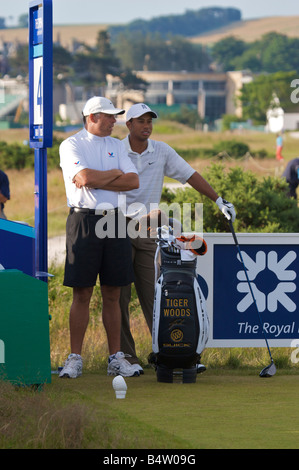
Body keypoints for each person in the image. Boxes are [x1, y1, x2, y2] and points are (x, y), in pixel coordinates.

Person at [119, 103, 236, 374]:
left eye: (150, 121)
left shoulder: (161, 150)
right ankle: (126, 357)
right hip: (116, 227)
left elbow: (190, 175)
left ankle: (172, 353)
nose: (146, 126)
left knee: (158, 295)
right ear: (129, 125)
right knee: (120, 297)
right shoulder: (115, 150)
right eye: (141, 121)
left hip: (148, 231)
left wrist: (218, 199)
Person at [59, 96, 140, 379]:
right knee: (81, 291)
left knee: (113, 292)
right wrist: (113, 174)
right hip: (84, 219)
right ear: (92, 116)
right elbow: (83, 177)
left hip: (115, 220)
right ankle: (75, 357)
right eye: (109, 116)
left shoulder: (117, 145)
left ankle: (116, 358)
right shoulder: (71, 144)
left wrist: (100, 177)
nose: (114, 120)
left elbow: (133, 181)